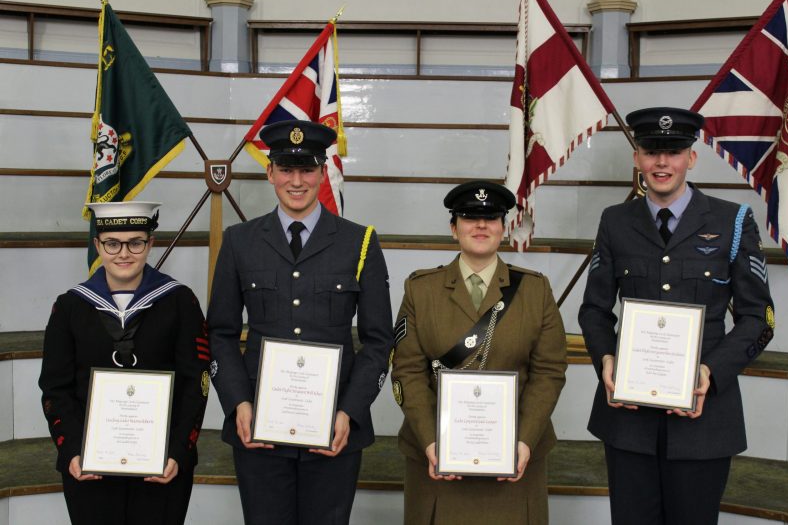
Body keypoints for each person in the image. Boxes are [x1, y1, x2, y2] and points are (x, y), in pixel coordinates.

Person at [579, 107, 775, 525]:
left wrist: (711, 373)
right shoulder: (615, 221)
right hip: (628, 423)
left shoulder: (732, 221)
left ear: (692, 156)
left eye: (673, 151)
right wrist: (606, 362)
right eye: (651, 151)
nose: (661, 162)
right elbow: (594, 310)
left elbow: (760, 319)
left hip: (704, 421)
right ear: (637, 158)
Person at [207, 119, 394, 525]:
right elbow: (219, 333)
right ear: (269, 171)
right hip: (258, 428)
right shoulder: (240, 241)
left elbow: (379, 342)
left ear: (322, 172)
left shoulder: (359, 242)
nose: (297, 181)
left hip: (334, 430)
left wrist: (349, 411)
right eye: (286, 169)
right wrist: (239, 402)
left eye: (307, 169)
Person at [390, 180, 568, 525]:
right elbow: (407, 371)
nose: (481, 226)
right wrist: (430, 442)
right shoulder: (420, 289)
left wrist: (524, 441)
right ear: (453, 228)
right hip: (436, 460)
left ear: (503, 228)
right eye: (470, 217)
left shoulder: (535, 290)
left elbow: (549, 372)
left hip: (516, 458)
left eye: (491, 217)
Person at [39, 201, 210, 525]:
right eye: (112, 243)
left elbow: (196, 384)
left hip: (163, 466)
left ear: (150, 243)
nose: (123, 253)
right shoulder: (69, 307)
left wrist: (177, 450)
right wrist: (73, 449)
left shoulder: (179, 301)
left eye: (135, 242)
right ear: (97, 245)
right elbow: (54, 388)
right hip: (90, 468)